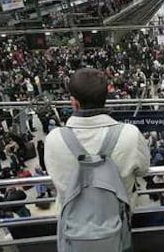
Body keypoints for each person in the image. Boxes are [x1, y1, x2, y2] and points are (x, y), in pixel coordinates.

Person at [44, 68, 150, 211]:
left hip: (72, 225)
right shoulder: (130, 134)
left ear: (74, 103)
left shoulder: (53, 139)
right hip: (117, 220)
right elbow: (143, 170)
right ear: (105, 98)